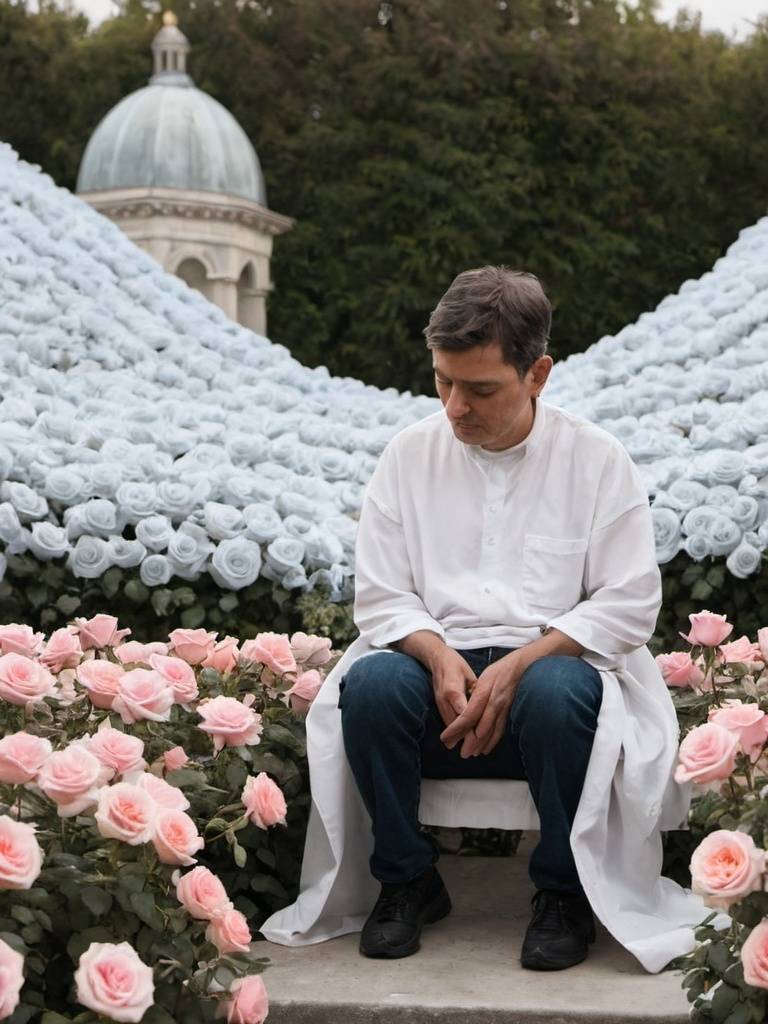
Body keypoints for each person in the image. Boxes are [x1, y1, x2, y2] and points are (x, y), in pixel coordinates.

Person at [261, 266, 710, 973]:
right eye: (442, 381)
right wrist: (439, 657)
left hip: (557, 709)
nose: (454, 407)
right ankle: (407, 881)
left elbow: (628, 606)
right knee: (374, 686)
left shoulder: (597, 462)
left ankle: (563, 895)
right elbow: (381, 596)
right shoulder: (408, 457)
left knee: (555, 689)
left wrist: (523, 662)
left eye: (479, 388)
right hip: (437, 701)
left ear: (538, 374)